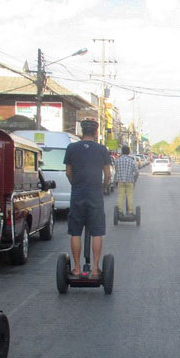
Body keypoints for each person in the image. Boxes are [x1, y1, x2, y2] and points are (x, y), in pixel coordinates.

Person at [64, 118, 113, 278]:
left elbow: (68, 172)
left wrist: (75, 184)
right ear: (95, 132)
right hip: (95, 194)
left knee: (75, 232)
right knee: (97, 231)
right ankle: (95, 269)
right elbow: (107, 174)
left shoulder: (71, 147)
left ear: (81, 131)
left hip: (78, 193)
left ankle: (77, 268)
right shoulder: (101, 149)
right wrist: (103, 187)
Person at [114, 145, 139, 215]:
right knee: (129, 196)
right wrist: (134, 180)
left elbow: (116, 171)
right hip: (129, 181)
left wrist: (115, 181)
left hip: (120, 181)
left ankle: (120, 211)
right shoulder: (132, 161)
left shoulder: (117, 160)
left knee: (120, 196)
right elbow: (137, 172)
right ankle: (130, 211)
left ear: (122, 152)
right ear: (128, 152)